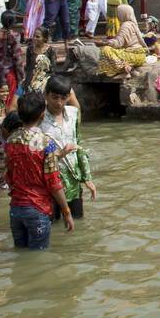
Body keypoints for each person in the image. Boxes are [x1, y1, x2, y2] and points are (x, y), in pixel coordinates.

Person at [6, 90, 74, 250]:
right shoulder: (46, 143)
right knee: (39, 255)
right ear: (42, 115)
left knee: (21, 253)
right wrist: (66, 211)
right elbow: (54, 183)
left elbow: (8, 176)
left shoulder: (10, 140)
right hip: (37, 209)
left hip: (15, 209)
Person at [40, 75, 96, 223]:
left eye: (63, 98)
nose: (59, 103)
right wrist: (57, 154)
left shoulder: (73, 113)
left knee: (78, 222)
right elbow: (36, 150)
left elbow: (78, 143)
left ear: (69, 97)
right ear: (46, 95)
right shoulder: (39, 117)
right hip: (49, 182)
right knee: (51, 224)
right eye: (54, 97)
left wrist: (87, 177)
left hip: (73, 179)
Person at [98, 4, 148, 77]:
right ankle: (129, 69)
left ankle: (125, 69)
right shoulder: (132, 24)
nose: (117, 16)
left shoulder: (126, 25)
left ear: (123, 14)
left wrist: (104, 43)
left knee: (105, 50)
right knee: (114, 53)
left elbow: (118, 43)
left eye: (118, 13)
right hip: (140, 56)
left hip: (133, 55)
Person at [24, 28, 54, 94]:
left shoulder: (50, 50)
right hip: (31, 81)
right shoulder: (30, 49)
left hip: (44, 82)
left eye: (37, 37)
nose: (34, 38)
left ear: (45, 39)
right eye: (34, 36)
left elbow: (52, 70)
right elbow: (28, 67)